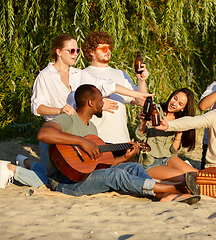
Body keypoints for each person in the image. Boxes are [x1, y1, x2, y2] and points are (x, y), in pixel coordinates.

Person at [5, 84, 200, 204]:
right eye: (100, 100)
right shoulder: (68, 120)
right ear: (90, 103)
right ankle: (172, 189)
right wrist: (80, 141)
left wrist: (124, 157)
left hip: (87, 175)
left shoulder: (92, 131)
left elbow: (99, 165)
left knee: (131, 166)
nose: (103, 103)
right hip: (69, 183)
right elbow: (44, 133)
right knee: (116, 175)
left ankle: (159, 194)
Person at [17, 33, 151, 184]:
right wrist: (60, 110)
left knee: (69, 175)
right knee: (53, 180)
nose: (76, 54)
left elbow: (108, 86)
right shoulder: (45, 76)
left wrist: (139, 93)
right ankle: (15, 168)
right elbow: (37, 107)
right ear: (58, 51)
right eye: (72, 50)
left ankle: (26, 162)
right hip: (56, 132)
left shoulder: (78, 74)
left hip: (76, 134)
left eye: (77, 50)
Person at [81, 31, 149, 148]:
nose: (108, 51)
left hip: (121, 139)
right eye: (103, 49)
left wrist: (141, 80)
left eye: (110, 48)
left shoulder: (120, 74)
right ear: (91, 52)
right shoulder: (82, 75)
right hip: (96, 139)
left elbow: (141, 101)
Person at [135, 88, 199, 183]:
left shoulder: (179, 120)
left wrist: (179, 133)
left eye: (180, 104)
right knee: (182, 178)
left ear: (183, 108)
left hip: (168, 158)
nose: (174, 103)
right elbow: (140, 137)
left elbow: (173, 151)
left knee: (198, 176)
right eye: (175, 98)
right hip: (151, 162)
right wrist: (143, 122)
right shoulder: (154, 110)